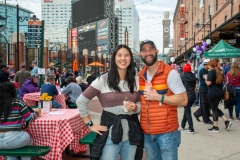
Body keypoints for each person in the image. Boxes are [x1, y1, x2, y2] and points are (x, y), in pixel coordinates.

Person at [76, 44, 142, 160]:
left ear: (130, 59)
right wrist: (90, 125)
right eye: (119, 55)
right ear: (114, 58)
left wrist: (136, 108)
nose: (123, 58)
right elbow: (81, 101)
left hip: (131, 133)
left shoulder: (136, 80)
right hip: (110, 133)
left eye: (126, 55)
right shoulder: (103, 80)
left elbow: (140, 104)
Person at [138, 40, 187, 160]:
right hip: (148, 135)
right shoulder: (140, 76)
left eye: (150, 49)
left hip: (167, 134)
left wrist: (159, 97)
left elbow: (183, 100)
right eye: (144, 51)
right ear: (140, 54)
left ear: (156, 51)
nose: (148, 53)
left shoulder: (170, 73)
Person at [0, 82, 41, 160]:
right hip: (14, 138)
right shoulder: (18, 102)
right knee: (28, 140)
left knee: (11, 148)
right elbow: (29, 119)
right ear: (13, 91)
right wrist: (36, 113)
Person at [205, 60, 232, 132]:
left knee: (213, 110)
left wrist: (205, 78)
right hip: (220, 92)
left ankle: (215, 127)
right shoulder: (220, 71)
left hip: (212, 92)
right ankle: (226, 121)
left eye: (209, 65)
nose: (208, 66)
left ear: (212, 65)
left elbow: (208, 83)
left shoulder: (212, 72)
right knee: (215, 108)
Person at [194, 59, 213, 124]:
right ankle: (206, 119)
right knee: (204, 104)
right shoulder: (203, 71)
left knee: (205, 104)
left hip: (206, 89)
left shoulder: (206, 70)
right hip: (203, 89)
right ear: (206, 64)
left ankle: (197, 114)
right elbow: (206, 78)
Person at [180, 63, 196, 134]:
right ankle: (183, 125)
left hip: (185, 95)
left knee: (187, 111)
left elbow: (180, 85)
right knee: (187, 110)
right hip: (192, 94)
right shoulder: (193, 76)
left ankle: (191, 128)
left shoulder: (183, 76)